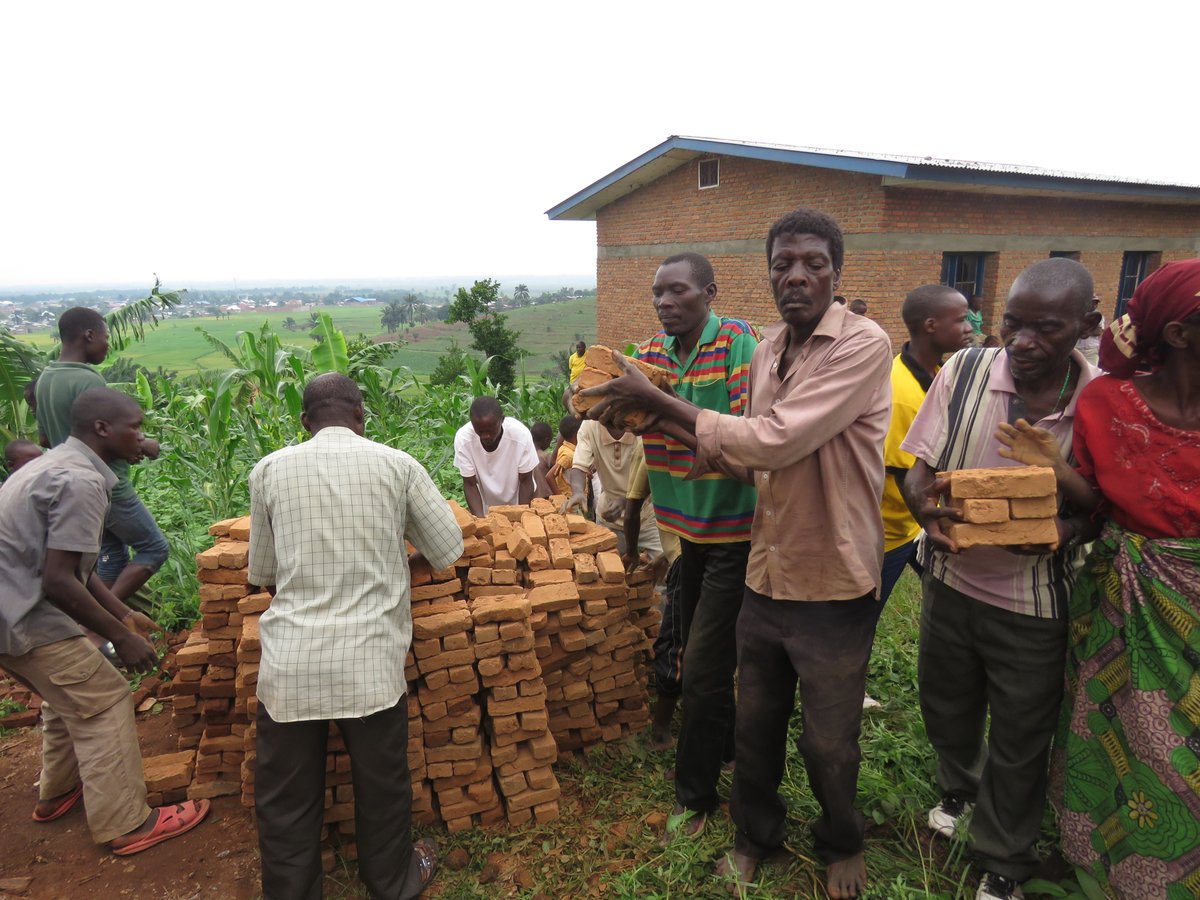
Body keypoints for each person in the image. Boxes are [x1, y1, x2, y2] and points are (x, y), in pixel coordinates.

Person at [582, 209, 891, 899]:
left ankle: (841, 839)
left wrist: (658, 400)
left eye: (813, 262)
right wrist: (649, 418)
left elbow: (777, 439)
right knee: (753, 723)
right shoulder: (769, 350)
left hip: (833, 576)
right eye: (783, 263)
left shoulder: (863, 345)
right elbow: (755, 459)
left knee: (828, 742)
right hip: (765, 566)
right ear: (769, 273)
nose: (797, 275)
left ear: (836, 271)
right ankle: (756, 836)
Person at [996, 259, 1200, 899]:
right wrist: (1053, 465)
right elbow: (1095, 504)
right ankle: (1101, 860)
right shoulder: (1110, 401)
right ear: (1178, 334)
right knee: (1110, 724)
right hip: (1123, 592)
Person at [901, 257, 1102, 900]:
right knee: (947, 706)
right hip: (951, 580)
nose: (1023, 342)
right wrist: (922, 509)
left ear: (1086, 326)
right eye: (1013, 324)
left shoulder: (1100, 403)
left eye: (1046, 328)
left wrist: (1058, 533)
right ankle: (960, 790)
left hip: (1033, 602)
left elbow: (1102, 507)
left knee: (1021, 735)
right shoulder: (963, 371)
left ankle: (1005, 859)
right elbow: (918, 466)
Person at [248, 373, 464, 899]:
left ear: (304, 422)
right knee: (382, 785)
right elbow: (447, 547)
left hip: (290, 667)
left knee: (285, 798)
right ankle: (392, 882)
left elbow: (266, 573)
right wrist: (396, 568)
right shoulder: (397, 465)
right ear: (361, 417)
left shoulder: (269, 471)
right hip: (369, 666)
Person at [0, 387, 210, 855]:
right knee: (104, 701)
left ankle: (56, 793)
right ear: (102, 429)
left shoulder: (51, 465)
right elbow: (58, 581)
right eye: (134, 427)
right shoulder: (81, 483)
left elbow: (74, 568)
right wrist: (120, 638)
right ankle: (128, 823)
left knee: (67, 696)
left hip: (7, 610)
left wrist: (123, 612)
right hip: (24, 617)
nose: (142, 438)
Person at [624, 250, 758, 843]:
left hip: (737, 530)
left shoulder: (736, 343)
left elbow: (736, 442)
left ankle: (695, 796)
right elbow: (627, 413)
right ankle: (725, 746)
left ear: (709, 292)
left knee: (702, 668)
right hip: (688, 535)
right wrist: (631, 410)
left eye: (677, 291)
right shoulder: (650, 354)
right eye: (658, 293)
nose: (664, 302)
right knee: (703, 649)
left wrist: (654, 408)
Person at [35, 308, 168, 603]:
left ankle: (98, 629)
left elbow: (45, 437)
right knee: (154, 547)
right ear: (89, 335)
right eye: (106, 337)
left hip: (71, 485)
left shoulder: (45, 379)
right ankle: (108, 622)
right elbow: (104, 436)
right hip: (108, 485)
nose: (108, 344)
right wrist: (142, 444)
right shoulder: (88, 381)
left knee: (112, 554)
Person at [878, 285, 973, 604]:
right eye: (960, 320)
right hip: (889, 533)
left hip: (913, 524)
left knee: (951, 599)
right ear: (931, 326)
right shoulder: (901, 392)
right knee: (860, 622)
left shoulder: (937, 373)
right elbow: (903, 476)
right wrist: (937, 526)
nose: (970, 327)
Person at [623, 439, 684, 751]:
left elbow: (632, 509)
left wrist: (631, 552)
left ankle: (662, 730)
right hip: (719, 548)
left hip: (689, 560)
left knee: (672, 643)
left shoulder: (651, 443)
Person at [562, 419, 663, 559]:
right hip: (609, 518)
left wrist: (626, 502)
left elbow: (658, 477)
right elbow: (579, 466)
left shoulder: (643, 425)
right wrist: (578, 492)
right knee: (608, 571)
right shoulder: (590, 425)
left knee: (665, 570)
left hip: (648, 516)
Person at [453, 396, 539, 516]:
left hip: (520, 501)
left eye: (490, 430)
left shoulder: (520, 436)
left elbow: (526, 481)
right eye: (480, 431)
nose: (485, 436)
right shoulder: (463, 440)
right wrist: (481, 521)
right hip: (487, 506)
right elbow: (470, 484)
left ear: (502, 420)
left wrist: (521, 517)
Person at [1074, 295, 1105, 366]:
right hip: (1077, 348)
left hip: (1091, 349)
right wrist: (1090, 329)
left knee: (1092, 371)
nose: (1094, 305)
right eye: (1092, 303)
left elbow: (1098, 331)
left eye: (1096, 303)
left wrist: (1082, 330)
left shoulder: (1098, 316)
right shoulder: (1077, 315)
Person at [529, 421, 555, 498]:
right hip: (547, 497)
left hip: (531, 498)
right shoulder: (545, 456)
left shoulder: (525, 456)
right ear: (546, 440)